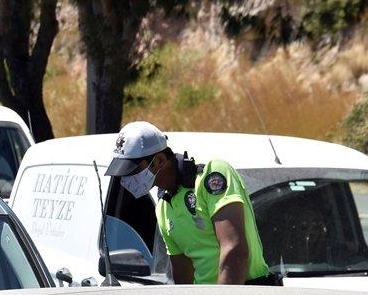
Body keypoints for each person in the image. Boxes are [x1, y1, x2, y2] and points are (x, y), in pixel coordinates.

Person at [106, 121, 275, 285]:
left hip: (247, 294)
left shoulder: (211, 175)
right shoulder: (164, 208)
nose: (125, 179)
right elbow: (183, 277)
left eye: (133, 171)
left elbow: (234, 249)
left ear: (159, 161)